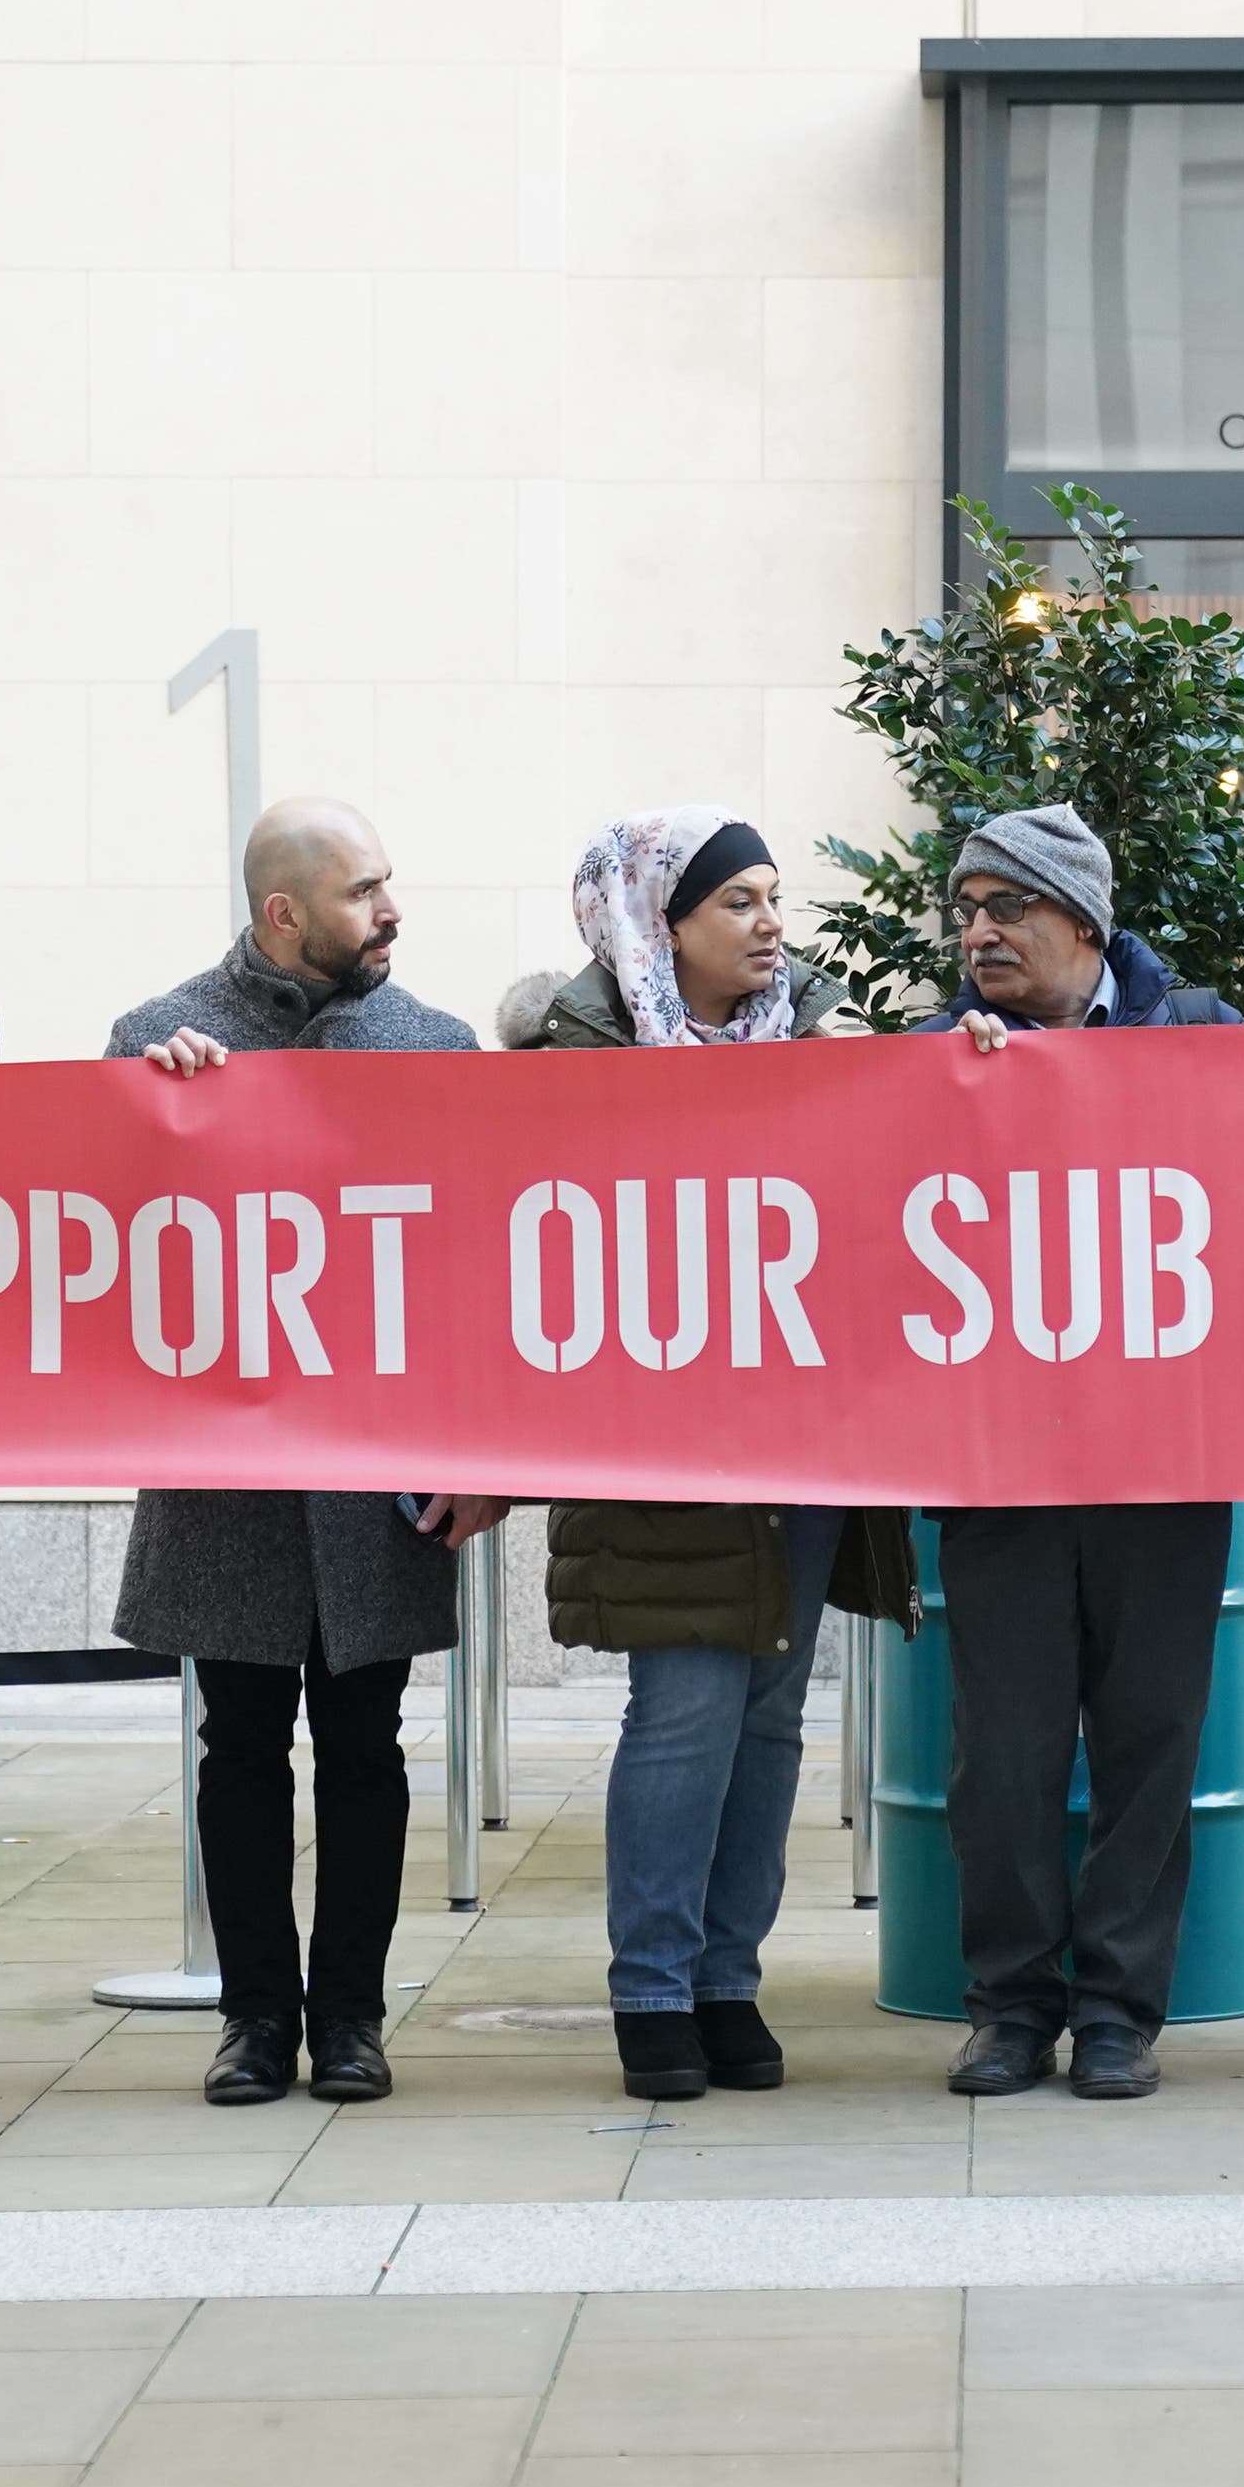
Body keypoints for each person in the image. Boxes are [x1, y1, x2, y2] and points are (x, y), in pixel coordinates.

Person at [115, 796, 505, 2108]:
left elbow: (474, 1279)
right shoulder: (156, 1041)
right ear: (283, 914)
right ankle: (250, 2021)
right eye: (362, 892)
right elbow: (104, 1246)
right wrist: (143, 1118)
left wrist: (483, 1454)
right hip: (225, 1474)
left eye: (388, 884)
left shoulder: (437, 1049)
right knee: (235, 1748)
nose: (391, 911)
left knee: (364, 1746)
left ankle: (348, 2017)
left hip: (373, 1471)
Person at [529, 809, 916, 2100]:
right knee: (682, 1712)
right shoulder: (568, 1057)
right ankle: (650, 1989)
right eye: (736, 902)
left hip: (799, 1443)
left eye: (771, 898)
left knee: (766, 1716)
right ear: (660, 923)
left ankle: (724, 1979)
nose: (768, 925)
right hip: (656, 1445)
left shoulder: (818, 1043)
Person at [913, 805, 1242, 2101]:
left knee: (1151, 1736)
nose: (977, 930)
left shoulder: (1203, 1039)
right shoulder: (938, 1054)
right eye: (965, 909)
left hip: (1166, 1464)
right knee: (1000, 1748)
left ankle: (1118, 2011)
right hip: (1002, 1468)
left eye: (1006, 905)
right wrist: (951, 1082)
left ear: (1083, 922)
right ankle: (1006, 2005)